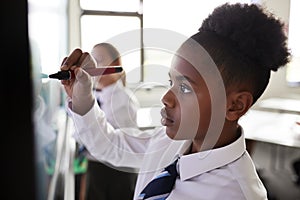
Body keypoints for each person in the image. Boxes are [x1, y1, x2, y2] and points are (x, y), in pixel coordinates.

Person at [61, 3, 290, 199]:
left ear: (235, 105)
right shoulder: (166, 140)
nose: (166, 98)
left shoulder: (237, 194)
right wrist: (82, 97)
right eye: (171, 82)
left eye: (185, 87)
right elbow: (112, 147)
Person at [76, 43, 139, 200]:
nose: (93, 67)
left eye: (99, 60)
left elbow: (105, 138)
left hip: (115, 170)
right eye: (91, 61)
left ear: (115, 65)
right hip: (98, 166)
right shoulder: (96, 95)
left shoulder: (123, 100)